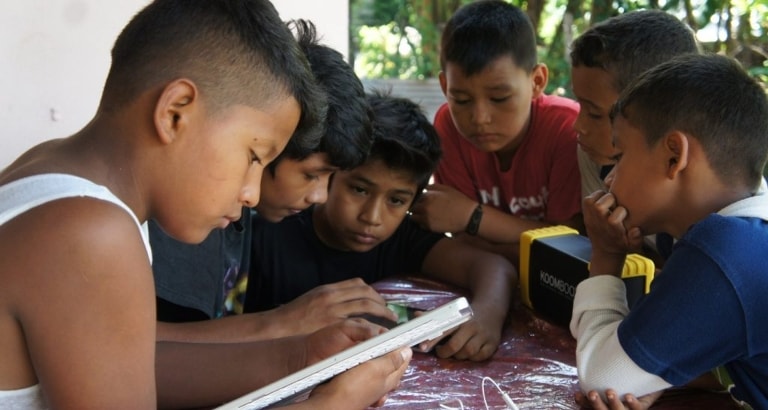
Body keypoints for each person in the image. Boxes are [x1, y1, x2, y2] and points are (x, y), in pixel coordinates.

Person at [0, 1, 409, 409]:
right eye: (254, 156)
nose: (251, 193)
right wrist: (331, 404)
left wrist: (301, 356)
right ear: (176, 113)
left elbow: (129, 362)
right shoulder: (89, 233)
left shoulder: (53, 172)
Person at [245, 91, 518, 361]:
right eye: (360, 190)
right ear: (330, 174)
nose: (372, 217)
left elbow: (494, 267)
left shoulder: (402, 238)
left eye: (396, 200)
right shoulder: (269, 233)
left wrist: (485, 315)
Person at [150, 18, 382, 329]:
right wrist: (282, 324)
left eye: (331, 178)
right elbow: (154, 353)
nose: (320, 196)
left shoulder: (241, 211)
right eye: (312, 174)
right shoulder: (197, 213)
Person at [570, 53, 768, 410]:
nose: (609, 179)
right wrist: (656, 372)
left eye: (619, 156)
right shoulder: (748, 225)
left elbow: (600, 379)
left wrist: (605, 255)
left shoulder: (726, 253)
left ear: (674, 156)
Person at [410, 0, 582, 264]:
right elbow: (462, 240)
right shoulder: (448, 126)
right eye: (462, 99)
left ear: (537, 81)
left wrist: (473, 216)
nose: (480, 118)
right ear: (445, 86)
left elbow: (569, 246)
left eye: (500, 98)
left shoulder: (567, 129)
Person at [570, 9, 699, 199]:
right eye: (580, 104)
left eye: (595, 114)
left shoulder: (707, 186)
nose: (578, 126)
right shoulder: (595, 155)